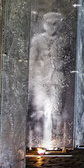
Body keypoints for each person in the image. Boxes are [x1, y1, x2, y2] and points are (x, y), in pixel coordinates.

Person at [28, 12, 65, 148]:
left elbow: (68, 61)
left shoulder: (63, 40)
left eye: (55, 24)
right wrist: (32, 79)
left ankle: (56, 140)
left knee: (56, 111)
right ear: (44, 24)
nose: (52, 27)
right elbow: (32, 61)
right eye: (49, 24)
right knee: (38, 110)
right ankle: (36, 140)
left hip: (56, 79)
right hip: (41, 81)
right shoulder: (37, 40)